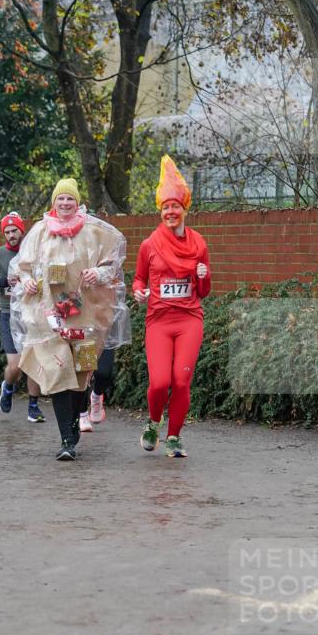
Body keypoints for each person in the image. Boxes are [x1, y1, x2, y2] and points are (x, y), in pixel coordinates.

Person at [10, 178, 129, 461]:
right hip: (47, 316)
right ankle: (66, 440)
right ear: (54, 202)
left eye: (70, 199)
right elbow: (22, 268)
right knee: (58, 372)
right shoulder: (40, 231)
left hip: (85, 315)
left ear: (78, 203)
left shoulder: (94, 230)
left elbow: (113, 263)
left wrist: (98, 274)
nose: (65, 204)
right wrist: (26, 281)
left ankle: (75, 422)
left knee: (80, 375)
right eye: (60, 199)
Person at [133, 155, 211, 458]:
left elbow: (203, 291)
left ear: (184, 209)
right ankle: (154, 422)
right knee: (159, 383)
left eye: (175, 206)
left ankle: (174, 437)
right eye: (165, 207)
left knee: (181, 380)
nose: (170, 212)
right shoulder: (149, 245)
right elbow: (139, 280)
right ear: (160, 210)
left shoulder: (199, 244)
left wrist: (204, 275)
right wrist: (140, 293)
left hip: (189, 318)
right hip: (159, 321)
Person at [0, 211, 45, 423]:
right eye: (6, 232)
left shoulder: (35, 253)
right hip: (9, 313)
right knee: (16, 366)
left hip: (33, 312)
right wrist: (5, 282)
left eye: (14, 230)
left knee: (33, 361)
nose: (10, 235)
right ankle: (8, 387)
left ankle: (33, 406)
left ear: (22, 230)